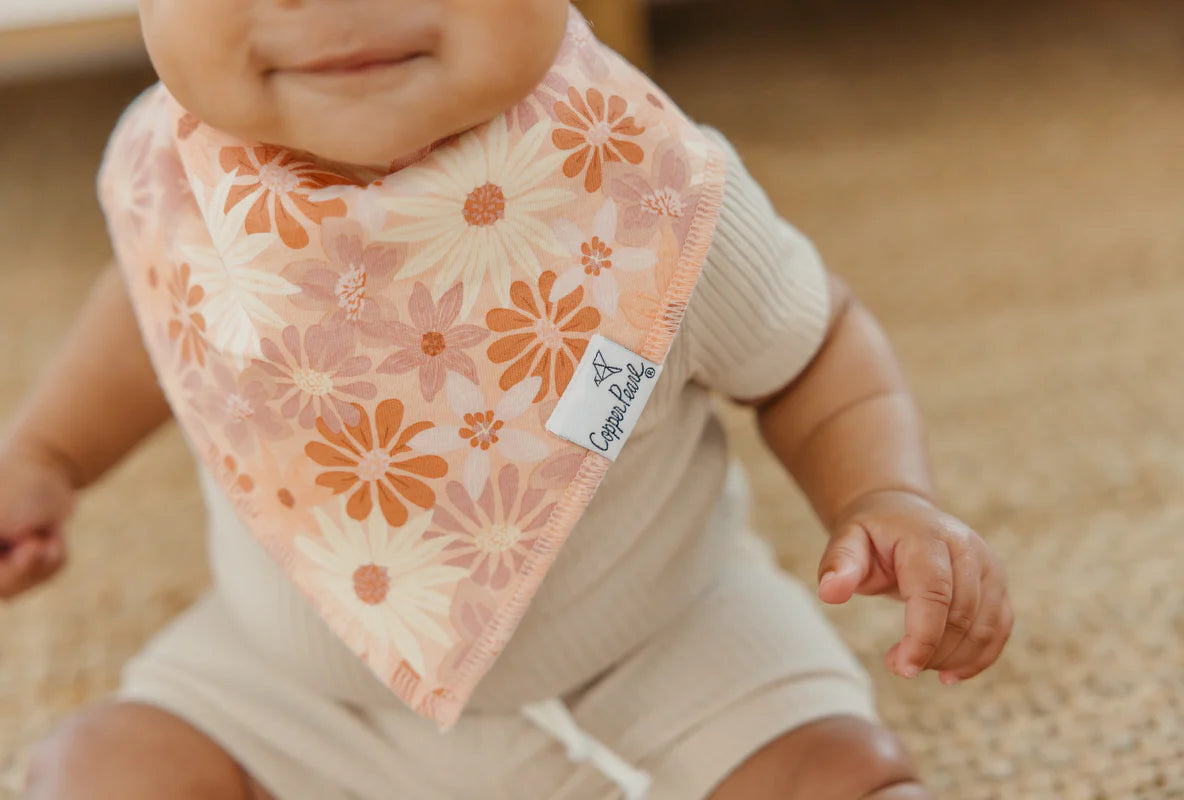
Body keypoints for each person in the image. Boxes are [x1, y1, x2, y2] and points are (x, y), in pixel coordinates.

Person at [1, 1, 1011, 798]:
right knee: (99, 766)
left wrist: (885, 496)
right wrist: (45, 453)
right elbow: (151, 316)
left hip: (663, 660)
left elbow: (813, 348)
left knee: (840, 774)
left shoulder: (646, 191)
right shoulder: (183, 181)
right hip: (296, 693)